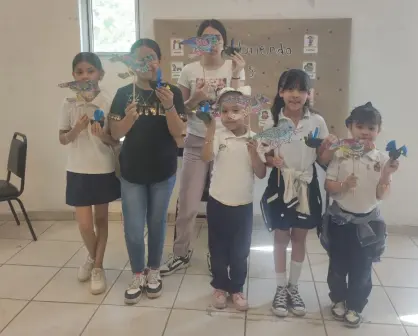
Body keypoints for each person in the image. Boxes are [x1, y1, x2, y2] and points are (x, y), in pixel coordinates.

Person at [161, 19, 246, 276]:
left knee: (219, 205)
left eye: (216, 38)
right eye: (205, 39)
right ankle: (181, 253)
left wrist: (234, 75)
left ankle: (217, 255)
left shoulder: (234, 67)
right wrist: (195, 99)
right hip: (196, 142)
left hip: (224, 145)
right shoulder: (188, 70)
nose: (211, 44)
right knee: (187, 201)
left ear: (223, 42)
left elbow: (238, 108)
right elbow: (181, 110)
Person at [108, 39, 185, 304]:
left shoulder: (171, 91)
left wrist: (170, 106)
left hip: (163, 170)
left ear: (159, 61)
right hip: (132, 171)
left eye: (150, 57)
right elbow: (114, 133)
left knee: (157, 223)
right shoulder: (122, 94)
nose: (144, 64)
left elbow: (179, 135)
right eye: (138, 59)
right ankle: (137, 273)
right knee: (132, 228)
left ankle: (154, 271)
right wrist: (128, 120)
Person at [260, 69, 336, 317]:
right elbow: (266, 156)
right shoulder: (272, 121)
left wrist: (327, 148)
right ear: (281, 92)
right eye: (289, 89)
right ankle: (280, 288)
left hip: (306, 183)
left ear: (308, 94)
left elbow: (323, 159)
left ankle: (294, 287)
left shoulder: (317, 122)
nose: (295, 94)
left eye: (301, 90)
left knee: (299, 238)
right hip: (281, 184)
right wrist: (273, 162)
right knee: (281, 238)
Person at [321, 102, 399, 328]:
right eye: (360, 126)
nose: (365, 132)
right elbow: (328, 185)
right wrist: (343, 186)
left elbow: (381, 195)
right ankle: (338, 300)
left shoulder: (383, 160)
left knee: (362, 268)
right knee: (338, 265)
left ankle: (355, 305)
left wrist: (385, 175)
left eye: (371, 128)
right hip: (340, 221)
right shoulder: (341, 154)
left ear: (378, 131)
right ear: (350, 127)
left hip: (368, 224)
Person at [58, 52, 121, 295]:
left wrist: (100, 134)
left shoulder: (108, 101)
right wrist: (76, 129)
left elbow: (115, 139)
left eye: (90, 71)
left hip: (102, 168)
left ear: (100, 74)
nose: (85, 76)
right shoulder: (68, 102)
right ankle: (93, 257)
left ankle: (97, 266)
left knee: (101, 221)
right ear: (73, 76)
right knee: (84, 225)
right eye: (80, 72)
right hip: (77, 169)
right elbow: (63, 139)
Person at [202, 87, 266, 310]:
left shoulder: (255, 139)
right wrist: (211, 127)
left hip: (243, 205)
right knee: (218, 249)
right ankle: (219, 286)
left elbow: (260, 173)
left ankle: (237, 288)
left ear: (246, 111)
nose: (229, 115)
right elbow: (206, 156)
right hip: (218, 202)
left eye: (235, 110)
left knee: (240, 251)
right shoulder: (219, 135)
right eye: (224, 111)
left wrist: (253, 153)